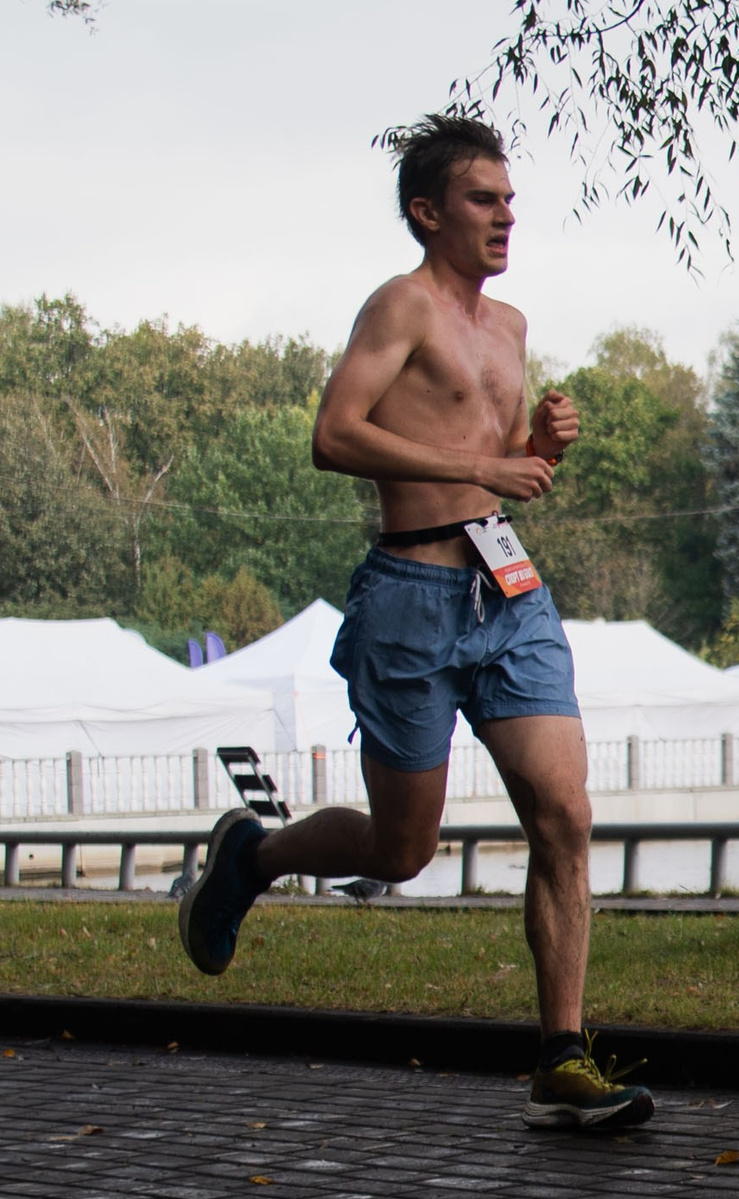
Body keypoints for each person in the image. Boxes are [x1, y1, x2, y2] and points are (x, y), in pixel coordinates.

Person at [177, 114, 653, 1132]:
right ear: (427, 212)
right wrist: (486, 465)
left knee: (565, 813)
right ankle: (252, 856)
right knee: (402, 850)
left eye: (510, 200)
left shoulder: (511, 325)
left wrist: (539, 444)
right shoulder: (400, 304)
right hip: (408, 597)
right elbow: (333, 433)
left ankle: (561, 1053)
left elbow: (494, 456)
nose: (505, 216)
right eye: (484, 200)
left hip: (507, 591)